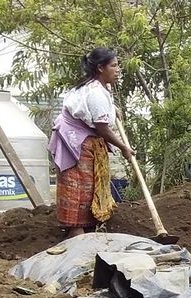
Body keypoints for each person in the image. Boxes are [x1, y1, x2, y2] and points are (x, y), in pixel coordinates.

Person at [48, 47, 133, 237]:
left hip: (82, 138)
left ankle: (85, 228)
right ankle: (76, 232)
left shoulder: (98, 87)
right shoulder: (95, 91)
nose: (118, 69)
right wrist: (124, 147)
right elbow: (102, 128)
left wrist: (113, 109)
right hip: (76, 141)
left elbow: (95, 109)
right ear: (101, 68)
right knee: (76, 186)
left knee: (89, 186)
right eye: (114, 65)